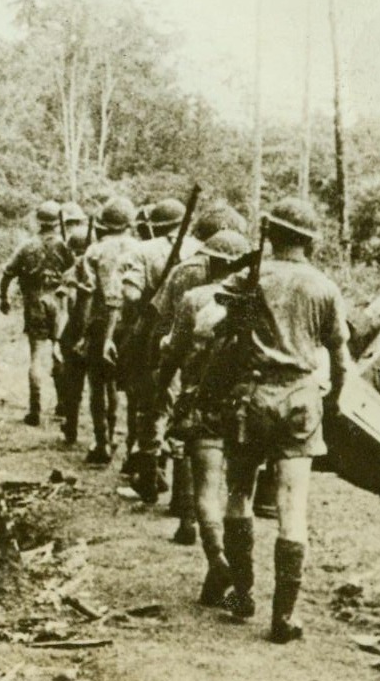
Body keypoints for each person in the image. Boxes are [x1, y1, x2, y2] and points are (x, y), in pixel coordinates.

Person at [216, 197, 350, 644]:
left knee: (238, 492)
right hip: (300, 401)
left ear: (270, 234)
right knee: (293, 507)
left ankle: (242, 593)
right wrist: (332, 403)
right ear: (310, 241)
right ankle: (284, 617)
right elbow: (340, 360)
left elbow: (220, 330)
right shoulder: (324, 287)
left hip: (250, 397)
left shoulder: (249, 278)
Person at [155, 230, 252, 605]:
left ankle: (218, 560)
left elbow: (174, 352)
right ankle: (235, 579)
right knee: (240, 495)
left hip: (204, 403)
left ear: (211, 262)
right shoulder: (255, 301)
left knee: (207, 491)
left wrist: (162, 387)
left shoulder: (195, 298)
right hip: (244, 406)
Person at [143, 203, 247, 542]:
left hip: (194, 376)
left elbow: (162, 325)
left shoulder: (187, 280)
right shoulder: (255, 293)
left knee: (189, 443)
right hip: (242, 388)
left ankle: (186, 512)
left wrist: (161, 375)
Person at [118, 198, 199, 496]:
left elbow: (130, 294)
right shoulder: (201, 249)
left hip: (156, 334)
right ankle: (182, 494)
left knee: (152, 404)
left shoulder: (143, 251)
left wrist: (152, 301)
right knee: (185, 404)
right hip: (197, 335)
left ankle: (150, 475)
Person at [73, 196, 139, 464]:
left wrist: (82, 333)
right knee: (131, 389)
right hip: (131, 325)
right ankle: (132, 446)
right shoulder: (139, 248)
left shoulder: (94, 251)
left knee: (98, 384)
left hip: (100, 323)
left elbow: (87, 295)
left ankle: (102, 441)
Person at [0, 200, 74, 426]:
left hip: (35, 303)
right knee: (59, 352)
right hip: (59, 302)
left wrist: (3, 298)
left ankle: (35, 410)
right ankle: (63, 405)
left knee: (36, 357)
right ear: (58, 222)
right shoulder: (65, 246)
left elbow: (7, 273)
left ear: (39, 222)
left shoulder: (27, 246)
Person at [54, 202, 91, 439]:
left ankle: (72, 426)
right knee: (102, 386)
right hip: (96, 331)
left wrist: (58, 339)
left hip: (75, 331)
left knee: (73, 384)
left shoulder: (70, 274)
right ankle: (104, 435)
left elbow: (64, 308)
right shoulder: (102, 270)